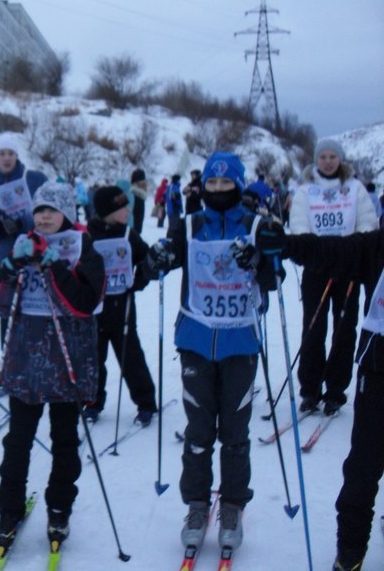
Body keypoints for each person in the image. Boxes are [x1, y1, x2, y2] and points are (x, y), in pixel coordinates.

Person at [142, 151, 282, 554]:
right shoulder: (189, 224)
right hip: (196, 341)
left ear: (238, 185)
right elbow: (156, 265)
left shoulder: (256, 225)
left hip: (240, 342)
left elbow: (275, 279)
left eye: (226, 183)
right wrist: (155, 260)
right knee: (198, 432)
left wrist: (259, 261)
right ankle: (197, 505)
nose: (218, 189)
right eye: (212, 183)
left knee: (235, 433)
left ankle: (233, 505)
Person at [0, 181, 104, 550]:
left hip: (68, 361)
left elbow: (84, 303)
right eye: (39, 210)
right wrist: (10, 267)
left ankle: (59, 508)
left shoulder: (83, 246)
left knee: (64, 440)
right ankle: (9, 510)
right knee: (17, 441)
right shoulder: (24, 243)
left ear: (67, 212)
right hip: (26, 360)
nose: (45, 217)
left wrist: (53, 266)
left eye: (52, 210)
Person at [265, 226, 383, 571]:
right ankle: (350, 552)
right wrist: (287, 244)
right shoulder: (377, 245)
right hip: (379, 370)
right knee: (362, 469)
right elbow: (334, 251)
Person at [288, 138, 377, 415]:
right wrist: (313, 252)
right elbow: (299, 226)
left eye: (332, 156)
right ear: (316, 160)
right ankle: (310, 389)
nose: (328, 161)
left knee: (344, 329)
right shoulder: (306, 190)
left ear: (340, 159)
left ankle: (336, 390)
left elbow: (367, 224)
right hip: (317, 269)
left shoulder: (355, 188)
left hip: (348, 269)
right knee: (313, 328)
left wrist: (354, 249)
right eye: (323, 156)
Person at [85, 185, 157, 425]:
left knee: (130, 357)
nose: (128, 211)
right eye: (122, 208)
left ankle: (146, 402)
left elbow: (146, 260)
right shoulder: (88, 234)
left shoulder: (129, 234)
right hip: (94, 309)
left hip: (122, 308)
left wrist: (138, 281)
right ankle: (92, 401)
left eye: (128, 206)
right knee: (94, 358)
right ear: (107, 211)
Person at [0, 132, 48, 343]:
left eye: (10, 153)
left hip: (38, 254)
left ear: (17, 155)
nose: (6, 158)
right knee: (7, 313)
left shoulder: (35, 178)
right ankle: (7, 356)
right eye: (1, 153)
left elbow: (51, 211)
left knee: (38, 310)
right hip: (6, 257)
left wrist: (22, 223)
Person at [130, 168, 149, 234]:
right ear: (137, 182)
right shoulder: (133, 196)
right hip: (131, 233)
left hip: (134, 233)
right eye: (143, 182)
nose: (145, 184)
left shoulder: (140, 196)